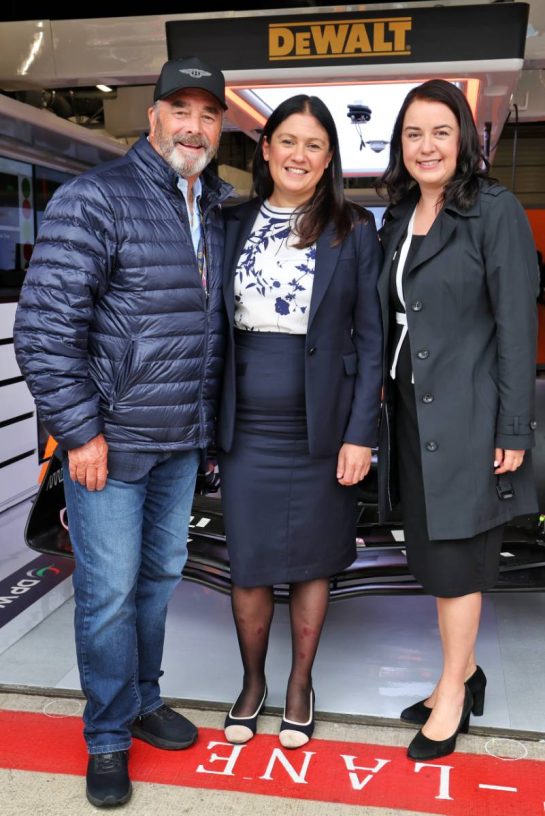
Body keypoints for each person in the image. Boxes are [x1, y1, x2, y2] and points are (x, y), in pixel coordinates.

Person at [14, 57, 231, 807]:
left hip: (179, 443)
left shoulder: (218, 207)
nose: (193, 126)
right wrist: (79, 434)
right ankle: (106, 736)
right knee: (107, 594)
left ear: (221, 128)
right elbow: (43, 329)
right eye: (181, 109)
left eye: (209, 114)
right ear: (154, 115)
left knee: (158, 583)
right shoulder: (96, 198)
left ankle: (142, 699)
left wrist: (207, 435)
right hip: (108, 445)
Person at [377, 79, 538, 761]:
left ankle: (451, 693)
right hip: (412, 416)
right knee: (429, 554)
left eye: (440, 131)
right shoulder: (398, 214)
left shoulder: (493, 211)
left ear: (464, 138)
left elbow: (514, 326)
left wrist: (512, 428)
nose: (426, 145)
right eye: (413, 133)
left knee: (457, 563)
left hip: (471, 417)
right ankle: (464, 672)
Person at [217, 94, 383, 749]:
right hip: (246, 426)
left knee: (313, 562)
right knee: (249, 564)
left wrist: (359, 434)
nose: (298, 155)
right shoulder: (230, 221)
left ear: (328, 158)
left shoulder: (353, 228)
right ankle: (252, 682)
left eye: (313, 145)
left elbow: (370, 339)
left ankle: (298, 686)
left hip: (323, 427)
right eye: (287, 141)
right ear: (264, 148)